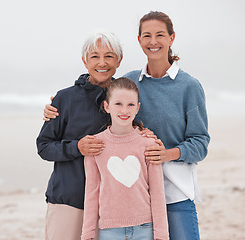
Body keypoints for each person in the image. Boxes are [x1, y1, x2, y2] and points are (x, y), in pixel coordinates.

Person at [43, 11, 210, 240]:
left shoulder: (187, 86)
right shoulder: (131, 81)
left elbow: (200, 143)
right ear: (139, 40)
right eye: (147, 35)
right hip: (111, 199)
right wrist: (57, 106)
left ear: (172, 38)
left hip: (173, 192)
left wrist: (164, 152)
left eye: (160, 35)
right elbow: (101, 85)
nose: (153, 41)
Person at [36, 31, 123, 240]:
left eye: (109, 56)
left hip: (113, 203)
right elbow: (44, 146)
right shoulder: (64, 98)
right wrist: (77, 147)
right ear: (85, 61)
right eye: (94, 56)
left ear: (119, 61)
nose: (102, 62)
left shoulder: (125, 98)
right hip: (69, 199)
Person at [81, 77, 169, 240]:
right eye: (118, 104)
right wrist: (87, 233)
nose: (124, 110)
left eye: (130, 105)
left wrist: (161, 234)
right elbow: (91, 192)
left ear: (137, 108)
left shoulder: (149, 143)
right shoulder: (95, 145)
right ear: (107, 106)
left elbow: (157, 191)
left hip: (144, 228)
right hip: (109, 231)